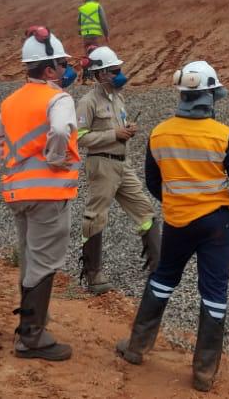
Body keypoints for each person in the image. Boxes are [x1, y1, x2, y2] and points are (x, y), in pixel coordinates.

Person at [115, 60, 229, 393]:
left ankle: (137, 347)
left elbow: (152, 180)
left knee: (163, 278)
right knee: (214, 292)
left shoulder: (160, 133)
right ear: (211, 96)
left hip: (177, 222)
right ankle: (204, 372)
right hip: (216, 225)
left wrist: (176, 201)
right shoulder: (224, 136)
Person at [0, 26, 80, 361]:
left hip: (19, 194)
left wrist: (15, 168)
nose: (66, 70)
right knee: (44, 261)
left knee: (29, 259)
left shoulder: (12, 101)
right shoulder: (59, 98)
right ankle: (32, 337)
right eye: (61, 64)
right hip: (48, 194)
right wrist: (55, 160)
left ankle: (31, 327)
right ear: (49, 69)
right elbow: (58, 130)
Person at [75, 46, 161, 294]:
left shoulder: (118, 97)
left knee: (145, 210)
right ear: (101, 74)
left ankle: (157, 265)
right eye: (114, 71)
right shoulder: (88, 102)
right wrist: (114, 134)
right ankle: (93, 274)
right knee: (96, 216)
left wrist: (127, 129)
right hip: (102, 164)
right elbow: (79, 137)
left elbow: (119, 126)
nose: (120, 74)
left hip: (123, 164)